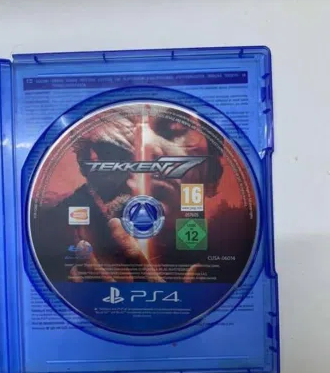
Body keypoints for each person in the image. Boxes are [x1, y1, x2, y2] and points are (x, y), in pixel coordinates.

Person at [30, 104, 255, 285]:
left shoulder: (238, 245)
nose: (143, 150)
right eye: (111, 149)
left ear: (213, 172)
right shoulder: (49, 239)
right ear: (85, 165)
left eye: (174, 129)